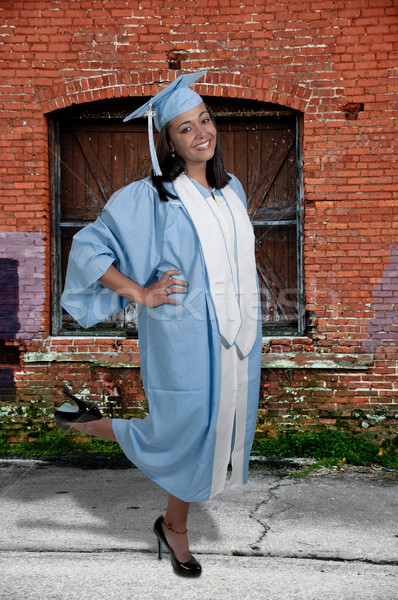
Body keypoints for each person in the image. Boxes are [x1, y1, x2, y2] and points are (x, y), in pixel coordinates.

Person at [57, 71, 262, 578]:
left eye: (205, 120)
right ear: (167, 142)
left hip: (237, 337)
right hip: (184, 335)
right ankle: (101, 436)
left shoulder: (230, 188)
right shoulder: (153, 197)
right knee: (186, 429)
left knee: (214, 430)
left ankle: (166, 517)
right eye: (185, 128)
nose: (201, 134)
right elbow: (88, 248)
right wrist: (140, 294)